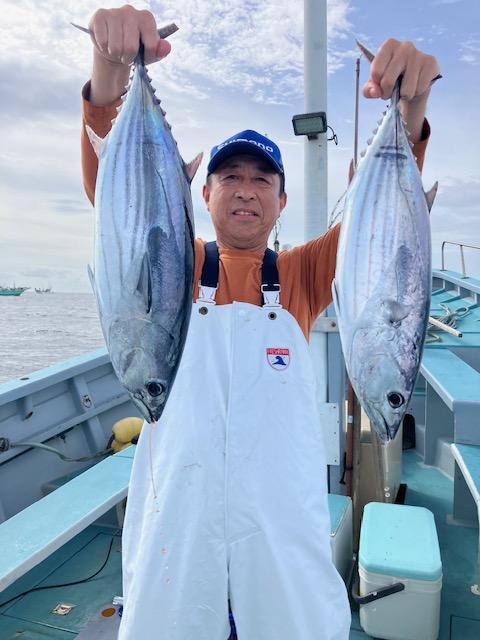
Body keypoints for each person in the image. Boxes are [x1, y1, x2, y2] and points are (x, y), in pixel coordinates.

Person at [81, 6, 440, 639]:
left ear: (280, 201)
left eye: (261, 179)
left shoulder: (302, 274)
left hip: (276, 525)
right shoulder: (175, 264)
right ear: (203, 194)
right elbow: (118, 198)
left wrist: (409, 109)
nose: (246, 190)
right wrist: (108, 70)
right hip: (178, 522)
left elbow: (383, 229)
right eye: (229, 177)